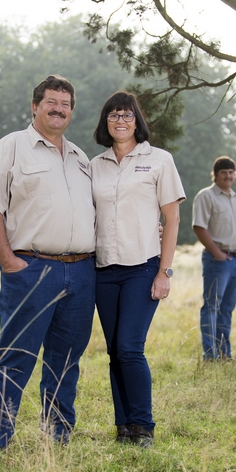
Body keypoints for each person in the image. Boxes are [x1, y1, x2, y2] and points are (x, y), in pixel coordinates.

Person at [0, 75, 95, 448]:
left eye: (65, 104)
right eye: (51, 102)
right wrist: (8, 261)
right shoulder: (12, 147)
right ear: (35, 106)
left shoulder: (80, 158)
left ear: (72, 110)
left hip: (82, 271)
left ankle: (56, 439)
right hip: (32, 269)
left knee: (66, 361)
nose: (59, 109)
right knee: (15, 357)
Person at [90, 91, 185, 447]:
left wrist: (165, 271)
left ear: (136, 120)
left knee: (130, 347)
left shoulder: (159, 160)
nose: (120, 121)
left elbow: (172, 219)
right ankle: (123, 426)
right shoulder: (94, 164)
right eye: (113, 115)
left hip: (142, 267)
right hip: (102, 270)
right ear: (105, 122)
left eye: (127, 115)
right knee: (114, 351)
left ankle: (144, 426)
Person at [192, 156, 236, 361]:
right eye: (224, 172)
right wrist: (217, 253)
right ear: (215, 174)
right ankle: (210, 354)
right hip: (218, 261)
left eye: (231, 172)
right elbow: (199, 227)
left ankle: (225, 353)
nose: (228, 176)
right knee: (212, 306)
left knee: (227, 309)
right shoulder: (206, 196)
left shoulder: (234, 197)